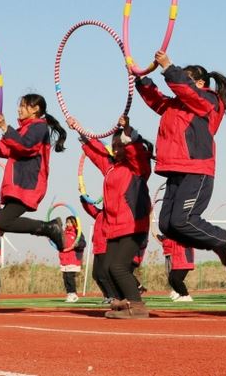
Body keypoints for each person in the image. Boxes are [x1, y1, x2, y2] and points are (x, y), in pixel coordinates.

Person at [135, 52, 226, 265]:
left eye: (186, 78)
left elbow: (187, 91)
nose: (181, 83)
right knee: (167, 225)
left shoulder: (209, 100)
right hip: (175, 170)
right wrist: (140, 77)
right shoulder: (176, 104)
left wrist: (168, 67)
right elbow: (156, 99)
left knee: (183, 220)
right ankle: (217, 243)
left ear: (200, 83)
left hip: (196, 170)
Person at [74, 115, 153, 319]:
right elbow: (97, 153)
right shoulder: (110, 168)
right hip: (114, 227)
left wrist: (128, 132)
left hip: (133, 225)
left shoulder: (137, 167)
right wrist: (81, 131)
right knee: (107, 269)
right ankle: (124, 302)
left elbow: (136, 153)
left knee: (118, 267)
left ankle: (137, 306)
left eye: (120, 146)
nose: (116, 150)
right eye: (114, 147)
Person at [0, 94, 67, 249]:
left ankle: (50, 228)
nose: (19, 109)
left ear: (35, 109)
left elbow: (25, 146)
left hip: (27, 184)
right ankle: (50, 228)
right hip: (17, 184)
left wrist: (5, 127)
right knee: (2, 222)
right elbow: (9, 149)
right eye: (20, 106)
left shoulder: (39, 127)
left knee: (3, 222)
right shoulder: (25, 128)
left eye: (23, 106)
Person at [58, 216, 86, 303]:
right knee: (65, 277)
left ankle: (73, 294)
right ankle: (69, 293)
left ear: (74, 223)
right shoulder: (63, 233)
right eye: (67, 222)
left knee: (70, 277)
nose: (68, 224)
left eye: (70, 222)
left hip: (73, 258)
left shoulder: (78, 232)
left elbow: (83, 243)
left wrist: (77, 245)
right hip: (64, 259)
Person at [161, 236, 195, 302]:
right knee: (171, 279)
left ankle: (186, 296)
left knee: (177, 279)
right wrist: (164, 238)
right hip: (176, 261)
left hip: (185, 260)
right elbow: (168, 244)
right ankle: (181, 294)